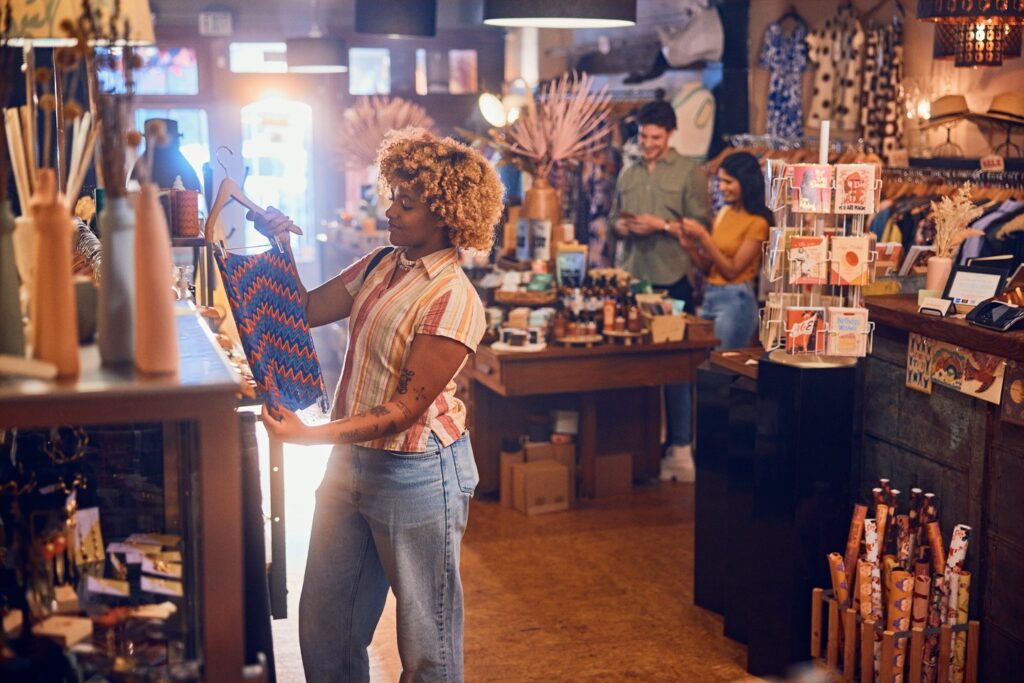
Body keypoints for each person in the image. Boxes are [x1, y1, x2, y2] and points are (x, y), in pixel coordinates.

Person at [256, 129, 504, 682]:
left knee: (426, 644)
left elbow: (405, 409)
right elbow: (302, 309)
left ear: (444, 215)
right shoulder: (379, 264)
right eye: (392, 195)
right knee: (326, 627)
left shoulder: (453, 297)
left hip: (417, 473)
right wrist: (280, 245)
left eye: (406, 203)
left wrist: (307, 436)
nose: (389, 210)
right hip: (353, 463)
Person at [609, 99, 710, 483]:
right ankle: (641, 449)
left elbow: (701, 225)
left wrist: (661, 226)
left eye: (655, 137)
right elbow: (614, 217)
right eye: (643, 136)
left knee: (675, 367)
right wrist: (622, 227)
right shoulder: (628, 173)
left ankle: (681, 448)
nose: (648, 143)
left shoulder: (690, 172)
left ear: (669, 135)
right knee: (633, 366)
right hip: (633, 279)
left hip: (673, 279)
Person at [679, 151, 773, 350]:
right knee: (698, 363)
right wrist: (690, 248)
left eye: (728, 182)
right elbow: (709, 268)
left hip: (736, 301)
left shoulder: (758, 223)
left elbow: (732, 271)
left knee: (720, 369)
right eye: (720, 181)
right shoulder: (724, 212)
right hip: (711, 295)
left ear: (746, 182)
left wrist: (704, 236)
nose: (722, 188)